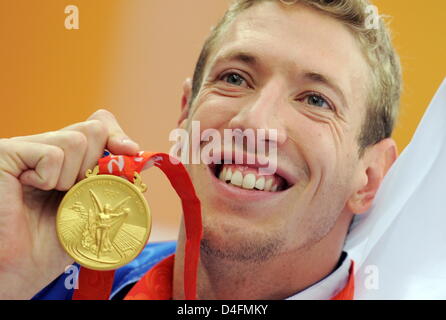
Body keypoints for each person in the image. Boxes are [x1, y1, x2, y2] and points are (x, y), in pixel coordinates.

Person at [0, 0, 402, 300]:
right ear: (184, 113)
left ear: (369, 178)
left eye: (316, 100)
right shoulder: (46, 283)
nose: (254, 123)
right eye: (234, 77)